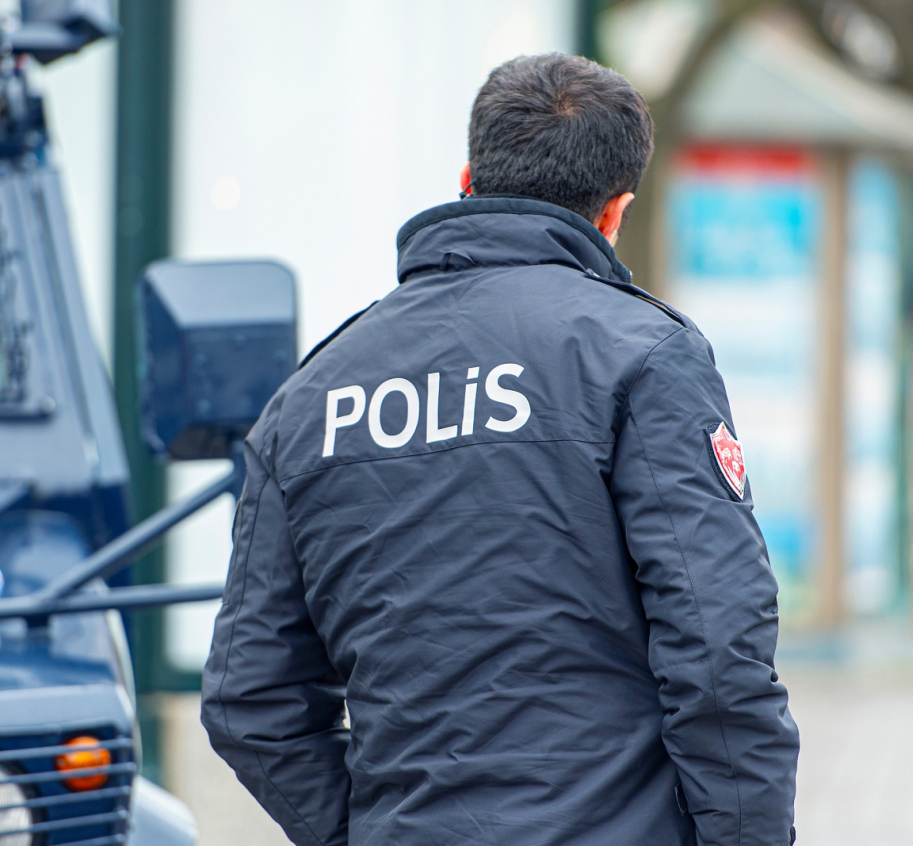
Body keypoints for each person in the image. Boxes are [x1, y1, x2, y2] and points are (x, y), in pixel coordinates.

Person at [201, 53, 799, 846]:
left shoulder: (312, 396)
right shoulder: (642, 354)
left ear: (467, 181)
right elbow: (718, 651)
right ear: (614, 213)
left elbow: (249, 697)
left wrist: (365, 830)